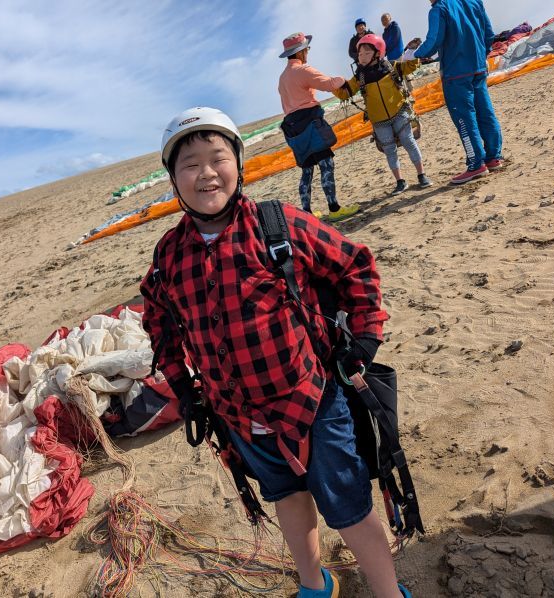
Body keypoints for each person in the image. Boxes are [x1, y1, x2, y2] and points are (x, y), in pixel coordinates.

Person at [141, 106, 413, 598]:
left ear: (239, 164)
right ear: (173, 179)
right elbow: (158, 319)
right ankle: (314, 585)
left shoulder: (277, 225)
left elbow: (356, 265)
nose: (206, 173)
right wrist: (183, 385)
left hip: (312, 401)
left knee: (348, 505)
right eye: (190, 165)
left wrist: (365, 340)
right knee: (287, 496)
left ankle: (388, 592)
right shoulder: (169, 255)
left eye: (217, 158)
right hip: (239, 415)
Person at [409, 0, 503, 184]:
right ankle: (493, 157)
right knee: (485, 111)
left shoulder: (439, 9)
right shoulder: (474, 1)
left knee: (464, 119)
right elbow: (488, 33)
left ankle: (476, 164)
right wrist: (482, 54)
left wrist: (413, 55)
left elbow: (434, 41)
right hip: (478, 68)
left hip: (456, 74)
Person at [334, 34, 433, 194]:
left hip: (400, 111)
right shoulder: (359, 77)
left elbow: (411, 65)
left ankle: (422, 175)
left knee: (408, 141)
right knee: (389, 150)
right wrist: (333, 85)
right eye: (360, 54)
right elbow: (345, 93)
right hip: (379, 120)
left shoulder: (391, 66)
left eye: (366, 53)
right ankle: (400, 182)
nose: (362, 57)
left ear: (377, 53)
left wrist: (412, 52)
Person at [278, 32, 357, 221]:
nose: (308, 52)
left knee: (307, 170)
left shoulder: (282, 78)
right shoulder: (303, 70)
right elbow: (329, 84)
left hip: (293, 129)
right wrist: (343, 79)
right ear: (300, 52)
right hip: (310, 124)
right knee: (326, 164)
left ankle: (306, 213)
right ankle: (334, 208)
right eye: (307, 49)